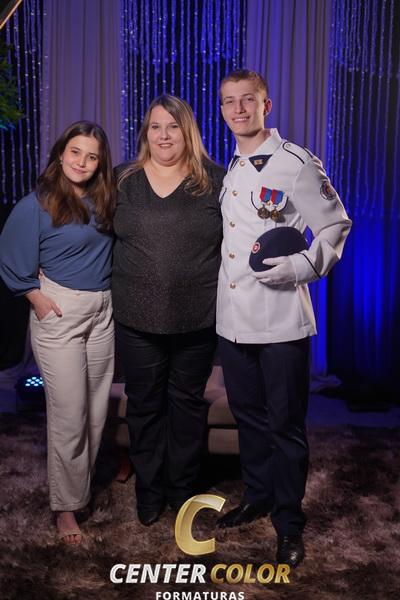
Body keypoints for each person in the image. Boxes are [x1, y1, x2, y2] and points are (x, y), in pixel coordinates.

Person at [216, 70, 352, 567]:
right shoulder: (231, 168)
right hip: (233, 318)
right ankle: (258, 495)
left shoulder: (296, 163)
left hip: (280, 317)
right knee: (248, 417)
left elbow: (335, 226)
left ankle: (289, 524)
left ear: (265, 106)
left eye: (247, 100)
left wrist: (300, 267)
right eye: (229, 101)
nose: (238, 109)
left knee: (285, 425)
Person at [0, 121, 115, 544]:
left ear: (100, 162)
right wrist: (34, 295)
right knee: (69, 414)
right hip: (60, 312)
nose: (82, 162)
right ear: (60, 154)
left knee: (96, 413)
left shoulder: (104, 201)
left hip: (102, 312)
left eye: (92, 156)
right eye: (75, 152)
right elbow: (10, 257)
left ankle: (80, 490)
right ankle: (65, 509)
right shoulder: (36, 204)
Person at [112, 94, 224, 526]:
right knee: (143, 405)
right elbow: (93, 231)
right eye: (156, 126)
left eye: (173, 126)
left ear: (187, 131)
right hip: (136, 318)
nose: (164, 135)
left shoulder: (215, 180)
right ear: (146, 132)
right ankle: (149, 490)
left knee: (187, 405)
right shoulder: (123, 179)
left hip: (198, 317)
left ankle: (182, 489)